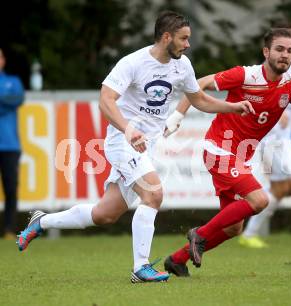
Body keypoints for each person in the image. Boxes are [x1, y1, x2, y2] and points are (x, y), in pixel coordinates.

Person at [16, 11, 254, 283]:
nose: (188, 44)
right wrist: (128, 129)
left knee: (105, 214)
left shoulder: (182, 65)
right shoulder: (133, 63)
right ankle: (141, 268)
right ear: (166, 37)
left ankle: (41, 221)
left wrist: (232, 107)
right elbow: (106, 99)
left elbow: (198, 98)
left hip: (145, 146)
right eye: (183, 38)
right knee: (154, 194)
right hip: (122, 141)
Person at [162, 27, 291, 277]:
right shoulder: (246, 75)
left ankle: (177, 260)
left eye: (289, 51)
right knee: (260, 200)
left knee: (234, 228)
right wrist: (178, 115)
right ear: (266, 52)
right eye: (279, 49)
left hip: (240, 155)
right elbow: (199, 84)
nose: (285, 55)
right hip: (219, 149)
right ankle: (198, 235)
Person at [238, 60, 291, 248]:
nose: (286, 52)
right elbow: (260, 93)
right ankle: (248, 232)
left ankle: (249, 203)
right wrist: (275, 109)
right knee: (280, 189)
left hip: (285, 140)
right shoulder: (268, 68)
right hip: (272, 140)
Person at [0, 48, 25, 240]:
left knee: (10, 189)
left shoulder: (13, 82)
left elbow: (17, 99)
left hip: (9, 145)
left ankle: (9, 229)